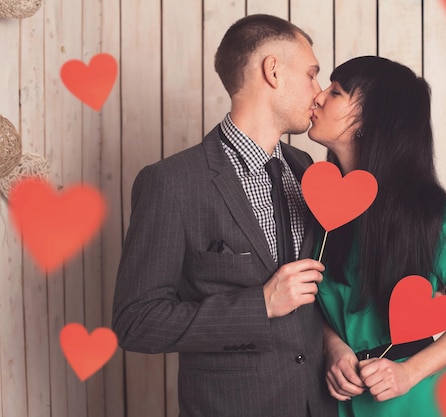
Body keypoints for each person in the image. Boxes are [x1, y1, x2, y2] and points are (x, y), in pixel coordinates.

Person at [112, 14, 337, 417]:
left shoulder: (306, 168)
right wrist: (260, 305)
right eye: (311, 74)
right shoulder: (172, 183)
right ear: (272, 71)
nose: (319, 93)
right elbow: (136, 322)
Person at [307, 56, 446, 417]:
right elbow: (310, 302)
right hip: (330, 399)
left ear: (370, 119)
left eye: (335, 92)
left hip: (413, 403)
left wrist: (408, 372)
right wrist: (332, 345)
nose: (318, 98)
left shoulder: (424, 212)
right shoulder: (320, 205)